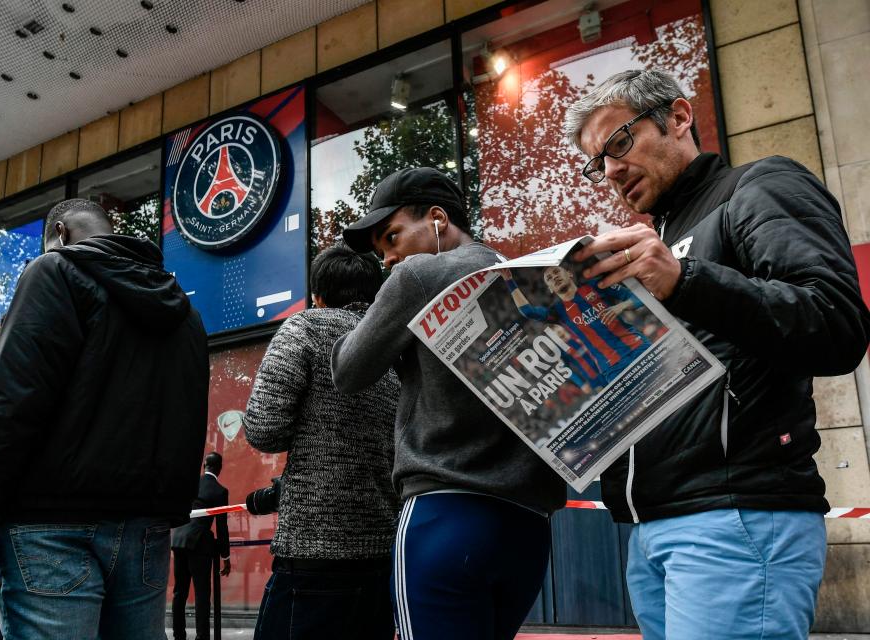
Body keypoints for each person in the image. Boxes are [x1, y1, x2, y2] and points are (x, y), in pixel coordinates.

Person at [561, 69, 870, 639]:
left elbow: (836, 322)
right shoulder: (660, 237)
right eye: (596, 162)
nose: (609, 171)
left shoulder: (759, 186)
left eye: (619, 143)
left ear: (679, 118)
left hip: (737, 515)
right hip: (653, 523)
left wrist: (685, 280)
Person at [0, 199, 210, 640]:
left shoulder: (54, 273)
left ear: (62, 234)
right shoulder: (184, 311)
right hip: (145, 530)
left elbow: (12, 408)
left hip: (49, 530)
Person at [331, 168, 566, 640]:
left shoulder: (418, 276)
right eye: (381, 252)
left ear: (438, 219)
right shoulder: (532, 277)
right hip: (529, 526)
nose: (390, 258)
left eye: (392, 237)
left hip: (445, 513)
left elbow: (348, 371)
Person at [244, 243, 400, 640]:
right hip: (386, 551)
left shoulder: (306, 328)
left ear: (317, 295)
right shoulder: (397, 346)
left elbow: (264, 429)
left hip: (313, 555)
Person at [500, 265, 649, 383]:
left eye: (557, 272)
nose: (555, 277)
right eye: (549, 279)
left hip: (637, 346)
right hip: (612, 367)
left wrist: (622, 305)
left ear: (569, 274)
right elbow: (528, 311)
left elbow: (638, 297)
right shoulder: (558, 311)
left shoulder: (596, 286)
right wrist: (509, 280)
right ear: (551, 289)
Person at [170, 452, 231, 640]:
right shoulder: (220, 491)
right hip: (199, 546)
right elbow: (221, 525)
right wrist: (225, 556)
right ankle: (202, 637)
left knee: (179, 592)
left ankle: (178, 635)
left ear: (204, 465)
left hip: (178, 540)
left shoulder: (191, 484)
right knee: (202, 594)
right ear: (219, 468)